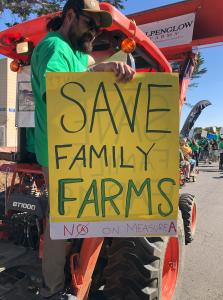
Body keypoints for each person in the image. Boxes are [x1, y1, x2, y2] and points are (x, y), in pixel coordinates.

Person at [30, 1, 135, 299]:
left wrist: (106, 67)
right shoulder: (54, 47)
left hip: (77, 150)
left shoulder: (75, 52)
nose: (95, 32)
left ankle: (70, 266)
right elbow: (60, 90)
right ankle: (52, 290)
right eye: (90, 24)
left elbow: (86, 67)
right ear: (71, 16)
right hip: (60, 152)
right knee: (60, 217)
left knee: (74, 213)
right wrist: (99, 69)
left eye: (98, 28)